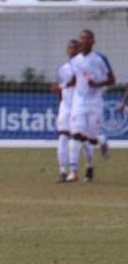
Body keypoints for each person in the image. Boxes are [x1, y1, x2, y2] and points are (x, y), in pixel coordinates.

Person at [66, 29, 115, 182]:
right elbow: (76, 78)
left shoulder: (100, 59)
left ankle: (100, 141)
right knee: (75, 135)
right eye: (82, 38)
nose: (84, 41)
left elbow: (112, 80)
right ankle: (73, 172)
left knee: (90, 138)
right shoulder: (75, 61)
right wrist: (66, 85)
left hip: (95, 102)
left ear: (93, 41)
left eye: (87, 38)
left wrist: (96, 84)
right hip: (79, 101)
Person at [51, 39, 79, 183]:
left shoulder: (84, 67)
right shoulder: (62, 69)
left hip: (80, 106)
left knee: (82, 140)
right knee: (63, 137)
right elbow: (61, 90)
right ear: (67, 51)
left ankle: (78, 170)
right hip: (66, 106)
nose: (72, 50)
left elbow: (75, 82)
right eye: (70, 48)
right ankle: (63, 171)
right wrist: (61, 104)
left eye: (75, 48)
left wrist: (61, 87)